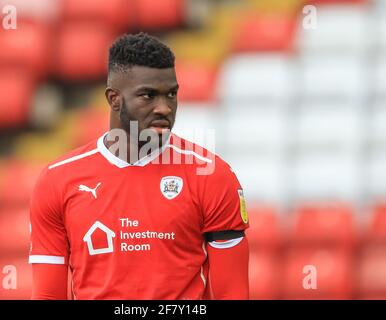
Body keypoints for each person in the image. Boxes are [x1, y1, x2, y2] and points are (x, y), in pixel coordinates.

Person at [29, 32, 249, 300]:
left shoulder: (211, 174)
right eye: (149, 96)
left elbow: (234, 294)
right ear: (114, 99)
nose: (164, 108)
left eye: (171, 95)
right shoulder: (58, 181)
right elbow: (48, 295)